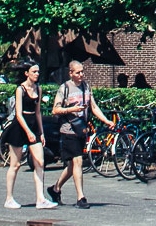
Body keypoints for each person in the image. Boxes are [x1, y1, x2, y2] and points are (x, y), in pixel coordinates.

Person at [48, 60, 115, 208]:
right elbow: (55, 110)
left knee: (72, 166)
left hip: (81, 130)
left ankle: (55, 188)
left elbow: (94, 107)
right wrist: (72, 109)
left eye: (82, 71)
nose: (81, 75)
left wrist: (106, 121)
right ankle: (81, 198)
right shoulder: (64, 88)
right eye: (78, 72)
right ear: (70, 73)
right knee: (78, 161)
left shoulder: (86, 87)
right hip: (68, 129)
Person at [2, 62, 51, 211]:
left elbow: (38, 112)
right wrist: (28, 132)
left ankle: (40, 199)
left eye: (38, 71)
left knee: (40, 162)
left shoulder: (38, 89)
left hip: (33, 126)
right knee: (15, 165)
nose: (37, 74)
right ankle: (9, 198)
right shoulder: (20, 89)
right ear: (26, 73)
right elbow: (18, 113)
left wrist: (41, 132)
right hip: (20, 127)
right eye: (34, 71)